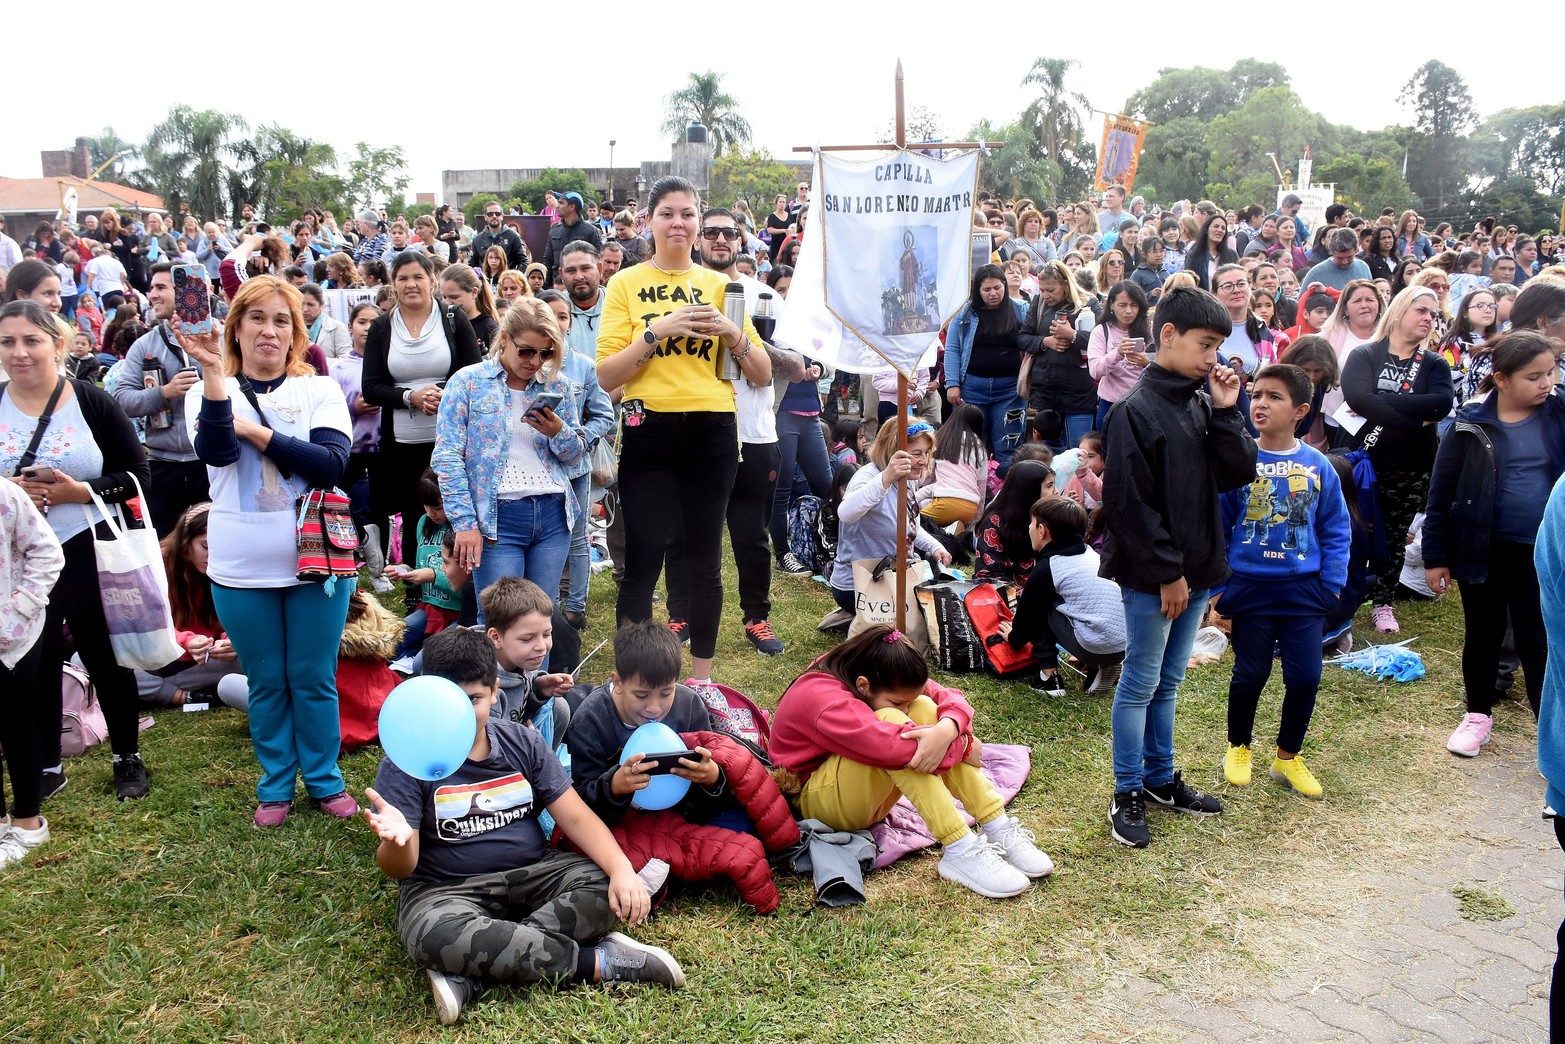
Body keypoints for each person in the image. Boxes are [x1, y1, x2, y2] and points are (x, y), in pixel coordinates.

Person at [361, 627, 682, 1028]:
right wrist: (398, 840)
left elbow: (576, 816)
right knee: (431, 933)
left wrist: (620, 871)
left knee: (604, 885)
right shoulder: (407, 760)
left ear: (495, 691)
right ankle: (598, 962)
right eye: (451, 702)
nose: (462, 712)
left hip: (535, 873)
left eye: (474, 699)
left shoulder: (521, 743)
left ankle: (476, 973)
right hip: (445, 891)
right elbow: (400, 868)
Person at [177, 276, 357, 827]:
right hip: (240, 563)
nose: (269, 330)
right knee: (267, 679)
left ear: (297, 332)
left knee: (312, 674)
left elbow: (330, 463)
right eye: (257, 318)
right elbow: (215, 450)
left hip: (317, 563)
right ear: (236, 327)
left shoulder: (318, 389)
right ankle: (276, 784)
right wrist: (212, 378)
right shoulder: (208, 390)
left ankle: (325, 781)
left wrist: (257, 432)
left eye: (282, 320)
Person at [595, 176, 770, 684]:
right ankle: (632, 680)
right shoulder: (625, 284)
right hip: (647, 428)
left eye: (687, 213)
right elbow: (606, 376)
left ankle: (701, 682)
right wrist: (658, 331)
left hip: (713, 430)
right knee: (644, 557)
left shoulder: (722, 286)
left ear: (697, 222)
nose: (678, 222)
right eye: (667, 213)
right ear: (649, 220)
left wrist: (733, 332)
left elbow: (759, 372)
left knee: (704, 560)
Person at [1099, 286, 1255, 849]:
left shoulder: (1199, 399)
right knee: (1140, 681)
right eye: (1204, 344)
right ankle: (1127, 789)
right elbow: (1129, 506)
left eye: (1217, 346)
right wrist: (1167, 572)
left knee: (1169, 679)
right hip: (1155, 574)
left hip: (1199, 564)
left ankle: (1161, 778)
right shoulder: (1133, 412)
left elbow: (1237, 472)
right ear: (1168, 334)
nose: (1212, 357)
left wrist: (1225, 411)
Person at [769, 624, 1052, 898]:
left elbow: (949, 697)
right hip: (818, 806)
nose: (906, 710)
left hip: (857, 792)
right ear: (863, 686)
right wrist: (964, 745)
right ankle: (958, 847)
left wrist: (950, 726)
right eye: (897, 701)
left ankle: (996, 826)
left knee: (926, 706)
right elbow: (898, 750)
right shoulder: (821, 696)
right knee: (895, 725)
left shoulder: (873, 667)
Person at [2, 299, 152, 802]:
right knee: (33, 659)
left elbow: (139, 478)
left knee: (105, 654)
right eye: (7, 342)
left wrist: (78, 492)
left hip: (89, 547)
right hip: (17, 561)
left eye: (31, 340)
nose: (19, 353)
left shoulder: (90, 400)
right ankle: (46, 762)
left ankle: (126, 756)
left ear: (58, 344)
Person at [1424, 331, 1565, 757]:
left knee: (1538, 636)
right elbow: (1441, 491)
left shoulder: (1559, 414)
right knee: (1482, 634)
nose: (1547, 384)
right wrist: (1435, 556)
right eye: (1534, 376)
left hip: (1540, 549)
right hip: (1481, 546)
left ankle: (1550, 728)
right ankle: (1477, 715)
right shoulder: (1470, 424)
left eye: (1552, 373)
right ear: (1501, 379)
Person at [665, 208, 796, 654]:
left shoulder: (765, 297)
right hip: (693, 429)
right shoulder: (679, 292)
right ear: (699, 239)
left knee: (750, 532)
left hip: (754, 431)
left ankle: (756, 618)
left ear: (743, 241)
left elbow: (798, 367)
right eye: (712, 232)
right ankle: (680, 615)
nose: (721, 239)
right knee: (683, 529)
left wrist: (748, 341)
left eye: (730, 233)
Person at [1218, 364, 1351, 799]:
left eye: (1274, 397)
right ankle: (1239, 746)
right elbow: (1220, 524)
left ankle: (1287, 758)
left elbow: (1335, 527)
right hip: (1252, 589)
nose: (1261, 404)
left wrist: (1331, 584)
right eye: (1256, 395)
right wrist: (1220, 585)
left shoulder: (1318, 465)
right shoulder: (1240, 458)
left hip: (1304, 591)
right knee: (1250, 673)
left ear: (1301, 410)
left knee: (1306, 677)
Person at [432, 298, 584, 623]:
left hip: (554, 514)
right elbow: (447, 459)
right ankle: (498, 678)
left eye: (546, 353)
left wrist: (559, 431)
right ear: (504, 338)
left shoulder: (557, 385)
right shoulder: (468, 382)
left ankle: (534, 677)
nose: (535, 361)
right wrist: (465, 524)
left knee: (540, 621)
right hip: (497, 519)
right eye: (527, 350)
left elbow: (573, 458)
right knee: (500, 623)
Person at [1340, 286, 1454, 634]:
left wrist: (1382, 404)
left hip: (1411, 462)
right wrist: (1413, 417)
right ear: (1400, 310)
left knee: (1393, 537)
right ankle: (1341, 597)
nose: (1428, 319)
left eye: (1433, 314)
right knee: (1349, 532)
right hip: (1363, 461)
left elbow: (1441, 404)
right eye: (1421, 310)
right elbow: (1357, 396)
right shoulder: (1366, 355)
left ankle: (1383, 603)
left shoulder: (1433, 363)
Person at [362, 251, 483, 570]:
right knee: (415, 513)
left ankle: (460, 583)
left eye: (418, 277)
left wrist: (447, 396)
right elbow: (371, 386)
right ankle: (417, 587)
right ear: (393, 283)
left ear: (432, 281)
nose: (410, 284)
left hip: (451, 440)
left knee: (457, 510)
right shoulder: (381, 328)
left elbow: (475, 376)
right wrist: (409, 397)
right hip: (401, 444)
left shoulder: (455, 319)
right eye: (402, 278)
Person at [0, 477, 64, 869]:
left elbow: (46, 552)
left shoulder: (6, 495)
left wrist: (19, 609)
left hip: (12, 632)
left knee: (13, 720)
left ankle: (28, 820)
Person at [1002, 496, 1125, 695]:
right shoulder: (1091, 555)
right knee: (1082, 607)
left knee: (1041, 604)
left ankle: (1048, 677)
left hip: (1093, 646)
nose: (1029, 528)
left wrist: (1014, 638)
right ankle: (1105, 666)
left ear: (1042, 531)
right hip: (1122, 644)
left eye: (1031, 523)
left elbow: (1027, 616)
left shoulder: (1048, 568)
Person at [828, 418, 951, 613]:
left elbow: (908, 527)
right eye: (917, 453)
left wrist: (935, 547)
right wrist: (885, 479)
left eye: (927, 453)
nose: (924, 461)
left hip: (892, 576)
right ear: (893, 452)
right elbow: (845, 513)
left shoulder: (908, 477)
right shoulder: (868, 477)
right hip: (859, 585)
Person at [133, 504, 247, 710]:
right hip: (156, 659)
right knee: (88, 659)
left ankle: (153, 692)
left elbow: (234, 622)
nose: (213, 556)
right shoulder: (157, 563)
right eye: (205, 546)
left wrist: (229, 642)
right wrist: (188, 641)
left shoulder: (229, 566)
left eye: (221, 547)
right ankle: (178, 695)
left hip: (204, 662)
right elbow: (146, 626)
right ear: (186, 542)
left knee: (249, 661)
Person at [944, 264, 1029, 474]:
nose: (993, 293)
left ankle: (1006, 493)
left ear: (1005, 285)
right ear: (977, 291)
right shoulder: (964, 314)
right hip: (972, 387)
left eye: (997, 287)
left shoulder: (1021, 310)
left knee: (1008, 445)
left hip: (1010, 389)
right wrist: (952, 384)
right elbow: (953, 349)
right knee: (970, 446)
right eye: (987, 289)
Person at [1018, 260, 1097, 452]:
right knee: (1047, 453)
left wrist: (1073, 335)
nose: (1046, 295)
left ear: (1065, 284)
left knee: (1078, 453)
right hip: (1046, 390)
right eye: (1042, 290)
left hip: (1078, 391)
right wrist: (1046, 342)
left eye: (1051, 290)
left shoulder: (1088, 303)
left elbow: (1100, 340)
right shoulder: (1038, 303)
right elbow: (1022, 338)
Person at [390, 471, 462, 660]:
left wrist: (433, 576)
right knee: (388, 641)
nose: (431, 513)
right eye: (426, 506)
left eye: (437, 507)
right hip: (429, 607)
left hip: (458, 613)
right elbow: (421, 569)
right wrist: (407, 574)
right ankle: (416, 650)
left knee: (424, 664)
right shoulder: (424, 523)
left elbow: (469, 587)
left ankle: (419, 652)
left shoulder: (463, 529)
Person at [973, 459, 1054, 583]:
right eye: (1049, 486)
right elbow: (987, 574)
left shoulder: (1050, 517)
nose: (1056, 491)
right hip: (1008, 594)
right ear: (1029, 491)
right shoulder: (995, 522)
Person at [1088, 280, 1154, 428]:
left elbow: (1165, 364)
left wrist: (1146, 362)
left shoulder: (1150, 330)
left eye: (1134, 305)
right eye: (1122, 305)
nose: (1128, 311)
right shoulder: (1102, 331)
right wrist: (1117, 353)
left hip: (1143, 403)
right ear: (1112, 304)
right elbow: (1095, 371)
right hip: (1111, 404)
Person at [918, 404, 987, 529]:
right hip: (971, 506)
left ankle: (948, 532)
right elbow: (982, 486)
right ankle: (953, 531)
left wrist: (921, 482)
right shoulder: (980, 448)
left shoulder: (942, 440)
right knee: (925, 505)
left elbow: (928, 473)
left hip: (946, 502)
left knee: (912, 524)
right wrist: (977, 519)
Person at [438, 264, 500, 360]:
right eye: (444, 297)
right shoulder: (441, 322)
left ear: (474, 292)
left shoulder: (489, 328)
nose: (447, 303)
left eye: (454, 297)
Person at [542, 193, 603, 283]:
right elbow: (547, 262)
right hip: (557, 287)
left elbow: (597, 261)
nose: (557, 206)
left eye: (561, 203)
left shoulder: (591, 232)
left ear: (572, 207)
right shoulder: (554, 231)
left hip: (581, 285)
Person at [1303, 228, 1374, 293]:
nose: (1345, 261)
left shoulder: (1363, 268)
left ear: (1356, 250)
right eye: (1340, 258)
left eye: (1349, 257)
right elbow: (1301, 302)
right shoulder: (1316, 274)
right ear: (1332, 252)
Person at [299, 284, 351, 358]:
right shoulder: (291, 326)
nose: (305, 309)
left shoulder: (337, 327)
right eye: (301, 304)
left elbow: (345, 359)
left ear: (321, 305)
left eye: (310, 305)